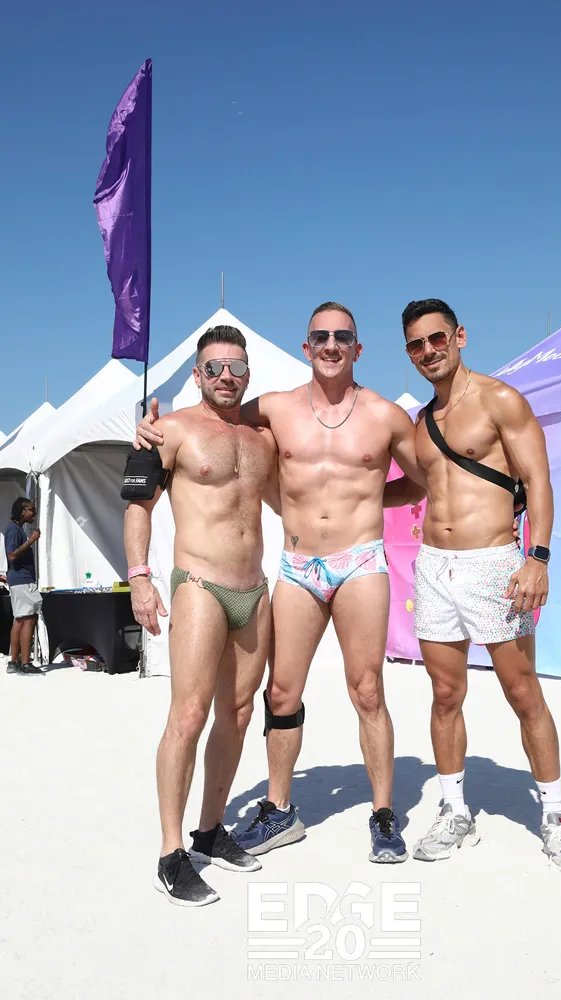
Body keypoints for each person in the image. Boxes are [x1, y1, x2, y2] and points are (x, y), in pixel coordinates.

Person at [135, 303, 426, 864]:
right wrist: (151, 430)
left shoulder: (387, 415)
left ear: (359, 347)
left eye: (343, 336)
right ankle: (278, 810)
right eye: (321, 336)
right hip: (297, 566)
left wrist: (370, 498)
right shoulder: (271, 408)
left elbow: (420, 481)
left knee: (367, 690)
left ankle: (383, 815)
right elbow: (210, 420)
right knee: (280, 693)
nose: (332, 344)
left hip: (359, 561)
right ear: (305, 346)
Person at [384, 298, 561, 871]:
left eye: (437, 338)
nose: (428, 350)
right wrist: (348, 498)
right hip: (434, 567)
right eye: (416, 344)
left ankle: (556, 816)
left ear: (459, 336)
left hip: (495, 565)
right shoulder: (421, 423)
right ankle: (454, 811)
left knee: (523, 692)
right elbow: (415, 489)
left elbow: (538, 480)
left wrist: (538, 557)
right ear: (409, 353)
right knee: (445, 694)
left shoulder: (501, 400)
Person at [125, 325, 282, 906]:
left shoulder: (263, 439)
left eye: (235, 367)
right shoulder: (168, 430)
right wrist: (139, 577)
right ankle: (171, 854)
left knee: (237, 714)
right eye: (213, 367)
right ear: (197, 374)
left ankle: (210, 832)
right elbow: (138, 505)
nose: (225, 376)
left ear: (248, 374)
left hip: (255, 591)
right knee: (188, 716)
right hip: (200, 586)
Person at [4, 498, 43, 675]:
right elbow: (12, 555)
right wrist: (31, 540)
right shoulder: (13, 529)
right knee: (29, 618)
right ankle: (25, 662)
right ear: (22, 511)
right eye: (31, 509)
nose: (34, 513)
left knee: (20, 619)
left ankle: (14, 662)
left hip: (19, 579)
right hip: (22, 579)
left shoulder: (16, 529)